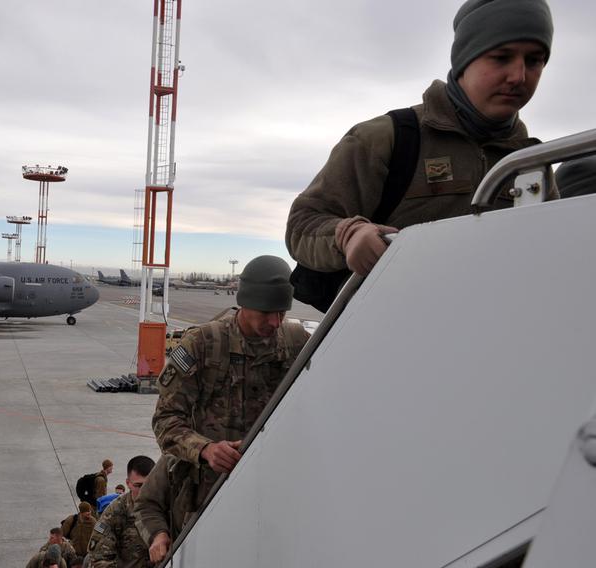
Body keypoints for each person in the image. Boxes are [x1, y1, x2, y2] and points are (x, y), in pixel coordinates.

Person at [286, 0, 556, 279]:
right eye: (501, 57)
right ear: (465, 59)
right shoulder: (386, 138)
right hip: (389, 319)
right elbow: (301, 225)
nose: (518, 76)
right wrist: (348, 235)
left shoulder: (531, 163)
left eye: (534, 60)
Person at [151, 255, 310, 512]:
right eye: (266, 312)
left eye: (282, 312)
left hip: (274, 486)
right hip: (212, 495)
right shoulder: (203, 344)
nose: (275, 322)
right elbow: (165, 420)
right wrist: (206, 449)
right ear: (245, 303)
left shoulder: (296, 341)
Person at [86, 455, 156, 567]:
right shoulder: (113, 513)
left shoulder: (166, 505)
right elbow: (97, 559)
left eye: (148, 485)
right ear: (128, 483)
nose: (143, 491)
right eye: (138, 486)